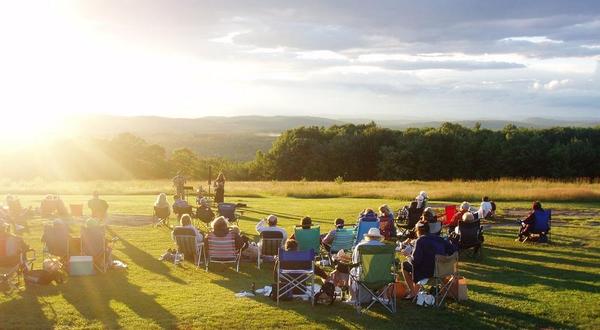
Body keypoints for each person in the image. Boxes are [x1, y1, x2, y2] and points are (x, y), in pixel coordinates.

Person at [402, 220, 457, 298]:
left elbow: (415, 262)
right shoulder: (440, 239)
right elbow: (454, 250)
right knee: (421, 264)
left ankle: (413, 292)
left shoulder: (420, 240)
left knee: (405, 265)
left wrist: (408, 256)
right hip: (443, 271)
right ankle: (416, 290)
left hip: (428, 273)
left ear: (418, 231)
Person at [348, 227, 386, 303]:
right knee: (382, 271)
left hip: (364, 276)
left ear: (368, 237)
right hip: (381, 276)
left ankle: (353, 297)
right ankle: (385, 297)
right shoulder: (384, 247)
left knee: (352, 271)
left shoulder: (360, 246)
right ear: (378, 237)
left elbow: (355, 261)